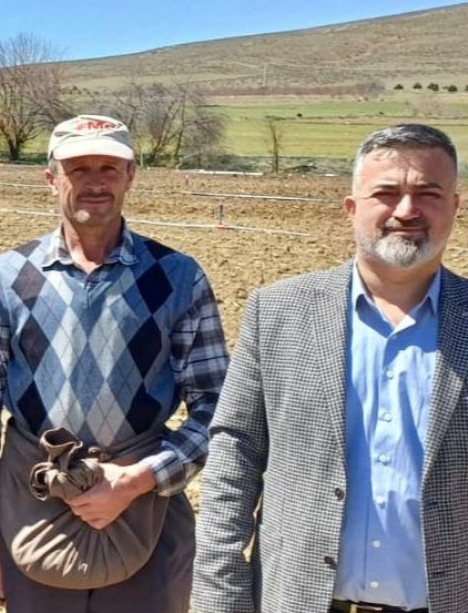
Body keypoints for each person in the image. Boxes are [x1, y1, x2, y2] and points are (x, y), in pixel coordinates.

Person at [194, 123, 468, 613]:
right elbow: (234, 456)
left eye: (428, 193)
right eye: (386, 193)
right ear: (351, 208)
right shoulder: (277, 312)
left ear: (455, 206)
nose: (407, 210)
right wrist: (220, 596)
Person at [0, 114, 228, 612]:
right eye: (78, 169)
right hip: (34, 509)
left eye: (109, 167)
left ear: (131, 176)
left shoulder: (177, 277)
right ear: (51, 178)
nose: (95, 182)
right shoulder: (8, 276)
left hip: (147, 512)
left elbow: (218, 408)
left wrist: (139, 479)